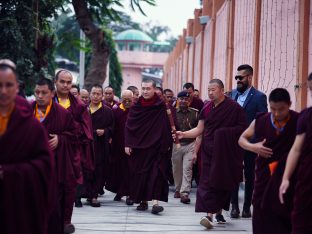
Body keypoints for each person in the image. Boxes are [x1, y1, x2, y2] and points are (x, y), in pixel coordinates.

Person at [176, 79, 247, 229]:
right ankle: (208, 215)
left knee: (221, 182)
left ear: (222, 90)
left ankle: (217, 211)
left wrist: (222, 134)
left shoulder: (234, 108)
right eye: (208, 90)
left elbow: (242, 128)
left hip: (225, 153)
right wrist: (184, 134)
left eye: (213, 89)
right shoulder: (206, 108)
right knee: (207, 182)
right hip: (208, 152)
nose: (210, 93)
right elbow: (199, 129)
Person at [0, 62, 54, 234]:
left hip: (18, 203)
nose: (3, 91)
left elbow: (45, 165)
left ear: (17, 87)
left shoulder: (29, 125)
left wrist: (8, 172)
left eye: (8, 85)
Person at [239, 88, 298, 234]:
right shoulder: (261, 120)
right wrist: (254, 147)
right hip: (265, 176)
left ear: (289, 104)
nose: (277, 113)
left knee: (286, 215)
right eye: (273, 109)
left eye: (281, 109)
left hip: (288, 177)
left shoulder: (298, 120)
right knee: (261, 212)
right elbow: (242, 139)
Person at [32, 78, 79, 234]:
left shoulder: (63, 114)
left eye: (44, 92)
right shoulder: (26, 112)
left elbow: (75, 136)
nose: (40, 96)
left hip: (56, 169)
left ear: (52, 93)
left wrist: (61, 139)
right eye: (37, 92)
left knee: (54, 211)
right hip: (32, 169)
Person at [54, 69, 94, 233]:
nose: (65, 85)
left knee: (68, 189)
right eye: (62, 81)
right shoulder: (47, 102)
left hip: (70, 154)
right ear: (55, 82)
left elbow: (85, 131)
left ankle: (66, 221)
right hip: (50, 153)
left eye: (68, 82)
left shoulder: (79, 106)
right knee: (51, 189)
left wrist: (62, 135)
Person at [124, 79, 172, 214]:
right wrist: (127, 143)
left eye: (148, 89)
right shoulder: (136, 106)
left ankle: (155, 202)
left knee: (156, 174)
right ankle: (143, 201)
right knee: (141, 175)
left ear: (154, 89)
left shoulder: (161, 105)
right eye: (143, 88)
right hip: (139, 147)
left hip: (157, 146)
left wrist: (167, 143)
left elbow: (166, 126)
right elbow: (129, 126)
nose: (145, 91)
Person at [230, 64, 268, 218]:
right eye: (236, 77)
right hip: (232, 142)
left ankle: (246, 207)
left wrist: (257, 142)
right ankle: (234, 207)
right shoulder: (232, 95)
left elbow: (262, 120)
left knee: (250, 175)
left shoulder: (259, 97)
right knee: (233, 174)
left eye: (241, 77)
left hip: (250, 143)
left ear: (250, 77)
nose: (238, 80)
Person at [279, 73, 312, 234]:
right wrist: (286, 177)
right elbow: (296, 148)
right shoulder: (306, 115)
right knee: (301, 220)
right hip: (308, 175)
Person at [106, 90, 134, 205]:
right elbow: (111, 125)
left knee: (129, 169)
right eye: (125, 99)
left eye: (129, 100)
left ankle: (129, 194)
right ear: (121, 99)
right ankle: (119, 191)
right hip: (117, 144)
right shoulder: (116, 109)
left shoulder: (135, 109)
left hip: (131, 144)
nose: (127, 102)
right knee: (118, 169)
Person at [172, 91, 198, 204]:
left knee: (187, 168)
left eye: (186, 99)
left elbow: (199, 130)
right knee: (177, 168)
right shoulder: (172, 113)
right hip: (176, 144)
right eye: (181, 99)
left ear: (189, 101)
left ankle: (184, 193)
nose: (183, 101)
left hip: (190, 144)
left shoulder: (195, 113)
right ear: (177, 100)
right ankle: (177, 189)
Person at [89, 84, 114, 197]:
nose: (95, 96)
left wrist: (105, 131)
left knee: (99, 170)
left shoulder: (108, 111)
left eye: (98, 94)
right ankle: (86, 194)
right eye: (93, 93)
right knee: (86, 170)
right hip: (87, 145)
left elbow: (112, 127)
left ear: (102, 96)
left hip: (100, 145)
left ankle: (94, 195)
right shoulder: (84, 110)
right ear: (90, 94)